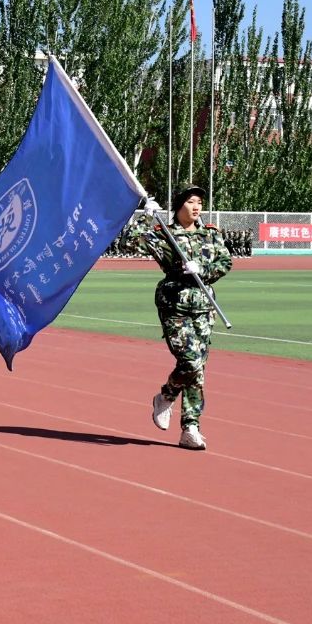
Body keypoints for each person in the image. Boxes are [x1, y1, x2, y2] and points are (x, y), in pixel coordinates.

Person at [136, 186, 231, 450]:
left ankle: (191, 427)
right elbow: (132, 243)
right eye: (190, 201)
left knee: (198, 369)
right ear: (179, 206)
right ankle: (166, 397)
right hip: (175, 304)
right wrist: (145, 217)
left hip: (203, 306)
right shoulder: (164, 233)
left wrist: (203, 269)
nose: (196, 206)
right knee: (190, 361)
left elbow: (225, 262)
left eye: (199, 201)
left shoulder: (210, 233)